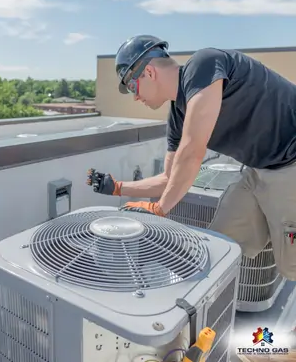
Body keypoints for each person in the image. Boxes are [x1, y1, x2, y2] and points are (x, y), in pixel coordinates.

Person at [86, 34, 296, 281]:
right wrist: (117, 187)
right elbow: (170, 178)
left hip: (290, 164)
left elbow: (193, 151)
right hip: (258, 169)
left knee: (291, 266)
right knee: (221, 242)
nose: (135, 97)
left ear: (149, 73)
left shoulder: (204, 64)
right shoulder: (177, 116)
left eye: (132, 86)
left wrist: (159, 208)